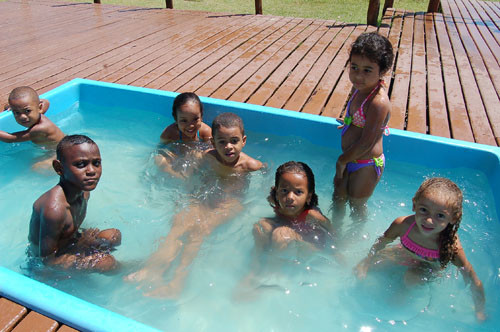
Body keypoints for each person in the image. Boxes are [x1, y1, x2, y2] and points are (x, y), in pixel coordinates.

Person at [125, 112, 263, 297]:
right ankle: (153, 270)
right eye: (221, 142)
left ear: (243, 141)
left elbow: (263, 186)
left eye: (234, 140)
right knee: (178, 224)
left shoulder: (251, 166)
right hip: (204, 198)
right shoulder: (206, 157)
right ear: (213, 142)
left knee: (200, 229)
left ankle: (177, 283)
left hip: (231, 203)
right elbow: (190, 178)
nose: (228, 147)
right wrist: (186, 199)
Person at [355, 178, 486, 321]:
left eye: (440, 215)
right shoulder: (403, 225)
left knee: (411, 280)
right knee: (369, 271)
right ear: (414, 205)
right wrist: (366, 261)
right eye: (424, 210)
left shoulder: (451, 246)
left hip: (429, 266)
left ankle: (399, 299)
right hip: (403, 253)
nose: (429, 220)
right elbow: (382, 242)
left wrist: (480, 310)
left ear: (453, 218)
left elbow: (471, 276)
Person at [28, 135, 122, 272]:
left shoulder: (84, 192)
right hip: (47, 263)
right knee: (106, 262)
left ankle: (122, 269)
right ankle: (127, 273)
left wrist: (83, 241)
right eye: (80, 164)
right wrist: (84, 259)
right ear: (59, 168)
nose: (91, 171)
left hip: (70, 244)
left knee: (113, 235)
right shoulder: (54, 209)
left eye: (96, 163)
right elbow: (46, 260)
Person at [333, 32, 393, 223]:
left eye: (367, 70)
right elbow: (359, 117)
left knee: (356, 206)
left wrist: (342, 161)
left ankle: (354, 239)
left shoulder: (378, 102)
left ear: (382, 71)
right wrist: (349, 121)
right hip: (352, 157)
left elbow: (367, 142)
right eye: (354, 67)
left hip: (365, 163)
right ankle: (333, 235)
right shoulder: (360, 88)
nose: (358, 76)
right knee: (338, 199)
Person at [253, 161, 335, 251]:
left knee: (281, 235)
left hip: (306, 243)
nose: (290, 197)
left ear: (308, 197)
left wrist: (336, 251)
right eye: (284, 190)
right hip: (283, 225)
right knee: (261, 226)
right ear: (277, 193)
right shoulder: (275, 200)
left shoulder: (311, 215)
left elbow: (330, 230)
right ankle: (256, 257)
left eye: (298, 192)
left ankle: (273, 263)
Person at [1, 87, 65, 169]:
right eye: (17, 112)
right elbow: (46, 102)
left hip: (60, 151)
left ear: (40, 108)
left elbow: (10, 138)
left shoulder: (40, 128)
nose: (22, 117)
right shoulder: (37, 113)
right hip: (54, 146)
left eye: (27, 111)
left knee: (35, 167)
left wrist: (19, 108)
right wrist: (19, 106)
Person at [156, 92, 212, 178]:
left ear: (201, 116)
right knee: (158, 159)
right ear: (175, 118)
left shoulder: (205, 132)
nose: (190, 125)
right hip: (177, 156)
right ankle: (178, 177)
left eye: (195, 119)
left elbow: (213, 151)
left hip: (196, 159)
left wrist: (201, 154)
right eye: (184, 121)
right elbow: (161, 148)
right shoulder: (170, 133)